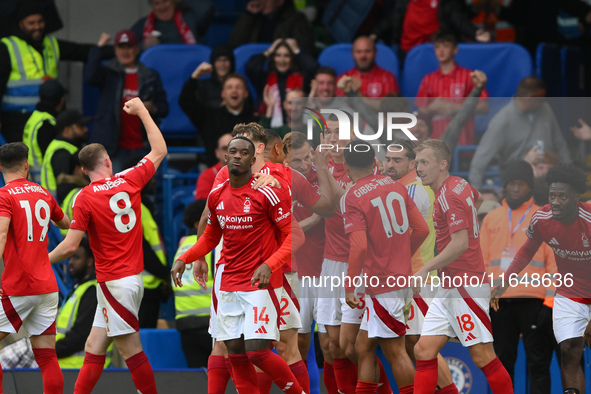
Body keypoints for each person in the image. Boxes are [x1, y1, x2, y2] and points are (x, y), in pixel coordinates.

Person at [171, 136, 307, 394]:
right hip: (229, 284)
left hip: (259, 285)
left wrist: (270, 263)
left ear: (253, 159)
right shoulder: (217, 195)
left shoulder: (268, 190)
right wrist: (184, 258)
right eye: (232, 151)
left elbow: (296, 234)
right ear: (225, 158)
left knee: (257, 351)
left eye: (244, 152)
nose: (237, 156)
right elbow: (211, 236)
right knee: (234, 351)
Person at [48, 97, 167, 394]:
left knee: (131, 351)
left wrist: (39, 259)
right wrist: (141, 111)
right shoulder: (129, 179)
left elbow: (69, 247)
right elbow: (160, 150)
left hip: (117, 282)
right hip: (119, 281)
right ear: (108, 162)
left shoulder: (84, 197)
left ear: (83, 170)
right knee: (94, 345)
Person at [412, 139, 513, 394]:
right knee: (423, 351)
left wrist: (425, 269)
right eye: (417, 163)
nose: (419, 168)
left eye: (424, 162)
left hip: (465, 285)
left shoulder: (450, 195)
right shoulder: (460, 184)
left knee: (483, 357)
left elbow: (460, 244)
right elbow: (476, 200)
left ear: (442, 164)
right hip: (450, 285)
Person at [491, 163, 591, 394]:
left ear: (577, 196)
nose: (555, 201)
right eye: (552, 195)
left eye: (563, 196)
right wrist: (506, 280)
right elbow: (526, 250)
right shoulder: (542, 219)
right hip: (569, 294)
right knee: (568, 349)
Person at [342, 140, 429, 394]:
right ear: (375, 163)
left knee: (396, 352)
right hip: (396, 278)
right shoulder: (395, 186)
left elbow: (358, 248)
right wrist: (401, 256)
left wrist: (349, 286)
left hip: (383, 283)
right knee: (362, 347)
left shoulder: (352, 196)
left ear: (346, 166)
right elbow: (422, 229)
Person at [383, 139, 456, 391]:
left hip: (418, 278)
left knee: (421, 344)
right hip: (406, 278)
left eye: (397, 160)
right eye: (388, 159)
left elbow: (398, 234)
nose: (389, 165)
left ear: (412, 163)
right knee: (409, 345)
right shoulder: (398, 188)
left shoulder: (413, 190)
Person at [480, 160, 557, 393]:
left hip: (535, 302)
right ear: (504, 187)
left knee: (538, 363)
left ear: (530, 188)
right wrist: (481, 301)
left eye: (520, 184)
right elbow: (481, 263)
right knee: (501, 363)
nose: (515, 189)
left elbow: (554, 264)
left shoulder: (544, 217)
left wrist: (550, 303)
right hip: (499, 303)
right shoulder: (492, 218)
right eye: (511, 184)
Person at [0, 142, 70, 394]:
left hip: (19, 286)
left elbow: (1, 233)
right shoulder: (42, 193)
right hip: (47, 287)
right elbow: (65, 223)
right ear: (27, 165)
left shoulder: (4, 196)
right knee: (47, 357)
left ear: (0, 167)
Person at [0, 2, 99, 143]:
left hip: (48, 118)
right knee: (20, 161)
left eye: (40, 21)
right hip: (16, 121)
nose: (37, 26)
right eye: (31, 23)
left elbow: (80, 51)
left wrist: (113, 50)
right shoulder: (7, 47)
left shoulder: (50, 43)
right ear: (21, 24)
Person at [85, 29, 168, 172]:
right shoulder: (108, 73)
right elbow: (90, 75)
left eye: (129, 47)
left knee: (145, 190)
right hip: (115, 148)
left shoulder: (150, 76)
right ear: (115, 50)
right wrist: (99, 47)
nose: (125, 52)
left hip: (143, 147)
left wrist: (152, 108)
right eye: (121, 47)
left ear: (136, 49)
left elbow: (164, 108)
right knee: (116, 192)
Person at [469, 76, 571, 190]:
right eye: (541, 98)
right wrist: (475, 195)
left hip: (550, 183)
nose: (544, 101)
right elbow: (480, 161)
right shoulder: (502, 120)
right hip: (518, 185)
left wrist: (571, 178)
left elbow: (560, 145)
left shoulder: (545, 109)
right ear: (528, 98)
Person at [415, 31, 489, 145]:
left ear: (455, 49)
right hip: (435, 146)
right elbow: (420, 112)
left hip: (463, 144)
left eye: (445, 46)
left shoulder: (468, 76)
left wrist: (458, 108)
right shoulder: (428, 79)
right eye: (437, 47)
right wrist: (431, 107)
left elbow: (484, 107)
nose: (441, 50)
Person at [56, 236, 112, 369]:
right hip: (65, 364)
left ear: (89, 261)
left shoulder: (92, 291)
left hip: (77, 367)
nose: (70, 262)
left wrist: (51, 351)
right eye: (70, 257)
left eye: (76, 258)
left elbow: (81, 335)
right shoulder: (79, 288)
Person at [179, 73, 258, 166]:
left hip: (247, 173)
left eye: (238, 87)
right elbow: (186, 102)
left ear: (246, 93)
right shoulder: (209, 116)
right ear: (223, 94)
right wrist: (195, 76)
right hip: (214, 174)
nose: (234, 90)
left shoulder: (254, 122)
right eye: (229, 87)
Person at [173, 199, 215, 368]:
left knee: (198, 378)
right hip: (209, 323)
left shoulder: (181, 247)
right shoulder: (212, 246)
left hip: (185, 324)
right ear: (198, 222)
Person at [371, 0, 490, 53]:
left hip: (435, 51)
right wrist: (374, 34)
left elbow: (458, 19)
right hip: (407, 50)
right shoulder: (404, 1)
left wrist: (475, 33)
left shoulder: (445, 1)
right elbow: (392, 18)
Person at [246, 39, 317, 127]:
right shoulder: (265, 79)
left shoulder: (301, 78)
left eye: (287, 56)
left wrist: (296, 50)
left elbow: (312, 67)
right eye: (278, 55)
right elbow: (251, 67)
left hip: (298, 128)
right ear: (273, 58)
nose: (282, 60)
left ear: (292, 58)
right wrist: (270, 50)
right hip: (272, 129)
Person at [22, 78, 67, 183]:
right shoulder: (49, 124)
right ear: (61, 100)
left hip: (31, 179)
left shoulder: (34, 118)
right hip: (45, 182)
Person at [228, 0, 315, 54]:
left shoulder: (296, 19)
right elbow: (235, 43)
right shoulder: (253, 17)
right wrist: (249, 14)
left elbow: (304, 49)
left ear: (280, 1)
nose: (262, 2)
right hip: (254, 63)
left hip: (281, 65)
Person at [40, 109, 89, 201]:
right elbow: (64, 186)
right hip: (59, 207)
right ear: (67, 130)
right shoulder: (62, 152)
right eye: (80, 126)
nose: (85, 129)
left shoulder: (63, 147)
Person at [130, 0, 215, 49]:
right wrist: (142, 46)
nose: (162, 7)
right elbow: (123, 49)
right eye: (156, 4)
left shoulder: (190, 19)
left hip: (189, 73)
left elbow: (207, 8)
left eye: (165, 1)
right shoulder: (143, 25)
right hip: (155, 77)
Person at [336, 36, 400, 102]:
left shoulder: (387, 78)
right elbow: (338, 109)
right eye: (358, 52)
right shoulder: (343, 79)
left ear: (375, 53)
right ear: (352, 53)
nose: (363, 56)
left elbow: (392, 109)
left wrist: (358, 95)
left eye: (367, 51)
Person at [180, 45, 238, 110]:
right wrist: (195, 76)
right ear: (213, 63)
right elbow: (186, 103)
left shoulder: (239, 85)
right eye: (218, 60)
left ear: (232, 63)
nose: (222, 64)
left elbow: (247, 108)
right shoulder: (203, 86)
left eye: (225, 60)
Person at [195, 133, 231, 200]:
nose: (228, 151)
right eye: (224, 148)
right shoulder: (207, 175)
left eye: (232, 148)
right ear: (217, 153)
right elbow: (201, 204)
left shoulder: (247, 173)